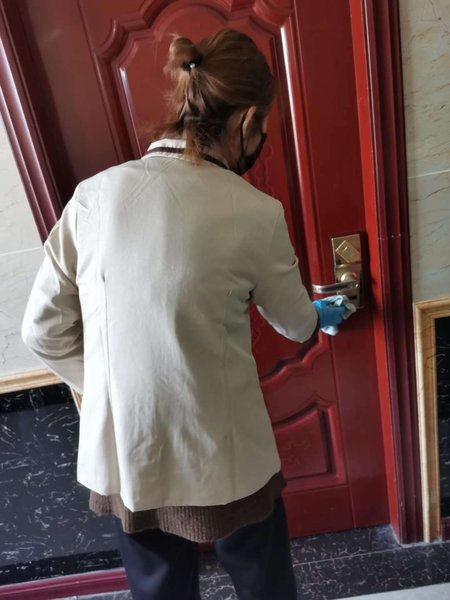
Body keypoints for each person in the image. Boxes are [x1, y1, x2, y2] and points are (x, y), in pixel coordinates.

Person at [21, 28, 351, 600]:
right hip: (225, 453)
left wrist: (106, 388)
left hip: (127, 451)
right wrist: (322, 310)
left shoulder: (92, 197)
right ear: (249, 121)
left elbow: (41, 331)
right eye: (263, 130)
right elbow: (297, 324)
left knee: (159, 588)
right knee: (263, 578)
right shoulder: (255, 211)